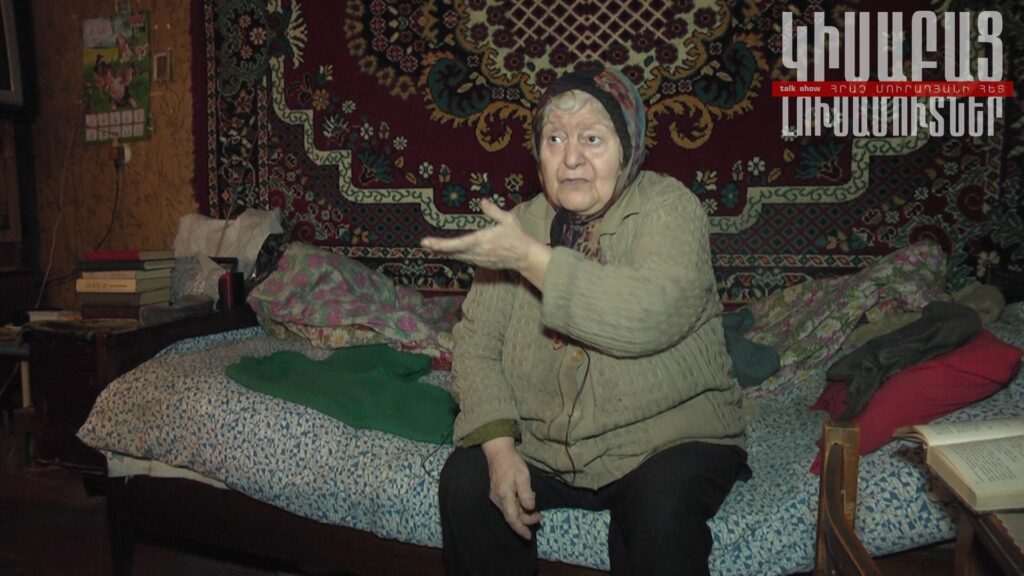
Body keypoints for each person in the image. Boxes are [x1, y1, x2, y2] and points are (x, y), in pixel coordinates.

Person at [421, 66, 750, 576]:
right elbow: (477, 344)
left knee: (660, 513)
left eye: (592, 139)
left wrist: (530, 259)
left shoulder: (669, 208)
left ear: (627, 149)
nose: (571, 158)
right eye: (554, 139)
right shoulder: (523, 222)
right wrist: (501, 450)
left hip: (670, 440)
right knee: (466, 481)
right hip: (549, 448)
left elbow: (648, 315)